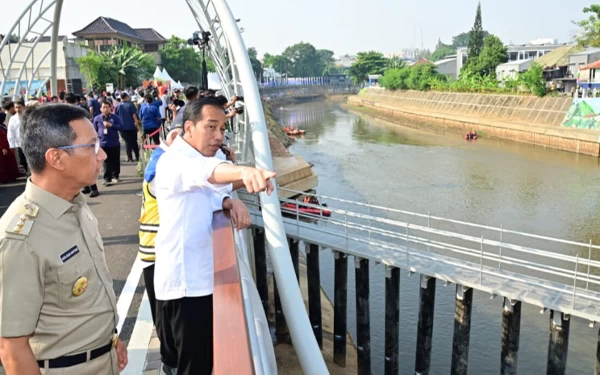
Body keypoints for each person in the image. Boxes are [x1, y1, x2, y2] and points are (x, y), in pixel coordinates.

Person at [0, 104, 127, 374]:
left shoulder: (75, 204)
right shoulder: (21, 238)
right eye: (91, 146)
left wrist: (110, 339)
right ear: (56, 158)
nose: (102, 154)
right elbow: (12, 349)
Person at [154, 98, 274, 375]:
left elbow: (208, 188)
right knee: (195, 365)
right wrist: (245, 172)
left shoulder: (200, 157)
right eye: (211, 127)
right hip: (187, 286)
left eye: (222, 128)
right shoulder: (177, 161)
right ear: (189, 128)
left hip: (193, 279)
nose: (219, 136)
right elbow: (207, 175)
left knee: (192, 361)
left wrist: (228, 201)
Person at [94, 100, 123, 186]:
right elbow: (94, 130)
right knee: (106, 162)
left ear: (111, 108)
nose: (105, 109)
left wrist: (111, 126)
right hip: (103, 143)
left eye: (107, 107)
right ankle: (107, 178)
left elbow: (121, 127)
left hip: (114, 143)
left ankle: (115, 176)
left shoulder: (115, 118)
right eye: (103, 107)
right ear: (100, 109)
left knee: (115, 160)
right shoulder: (97, 119)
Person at [115, 92, 140, 162]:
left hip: (122, 127)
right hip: (132, 126)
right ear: (126, 97)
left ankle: (130, 157)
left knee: (127, 142)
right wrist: (137, 125)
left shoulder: (118, 106)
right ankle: (137, 156)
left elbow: (116, 117)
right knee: (134, 142)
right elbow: (134, 116)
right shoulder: (130, 105)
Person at [7, 100, 28, 175]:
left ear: (23, 107)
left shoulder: (29, 116)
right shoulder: (13, 119)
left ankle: (32, 174)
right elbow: (10, 132)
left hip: (30, 143)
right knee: (22, 161)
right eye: (16, 107)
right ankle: (28, 172)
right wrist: (12, 144)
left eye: (19, 107)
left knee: (31, 160)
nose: (18, 109)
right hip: (19, 144)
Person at [0, 112, 19, 183]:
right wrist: (2, 148)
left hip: (7, 145)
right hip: (3, 147)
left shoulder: (2, 125)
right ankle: (5, 178)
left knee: (10, 162)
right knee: (4, 164)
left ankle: (12, 176)